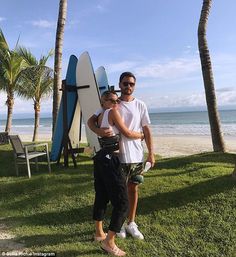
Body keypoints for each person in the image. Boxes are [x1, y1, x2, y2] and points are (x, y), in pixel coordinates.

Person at [88, 72, 155, 240]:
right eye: (125, 83)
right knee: (119, 193)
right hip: (118, 157)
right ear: (120, 84)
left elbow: (147, 129)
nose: (128, 86)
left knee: (133, 188)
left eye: (131, 84)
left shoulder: (141, 105)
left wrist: (151, 153)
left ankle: (131, 223)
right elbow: (91, 121)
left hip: (137, 155)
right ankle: (118, 226)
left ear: (135, 85)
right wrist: (99, 131)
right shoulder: (111, 103)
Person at [91, 91, 144, 256]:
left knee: (101, 196)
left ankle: (99, 233)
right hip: (111, 160)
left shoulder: (100, 114)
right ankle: (109, 242)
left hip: (100, 157)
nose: (115, 103)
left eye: (116, 100)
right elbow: (127, 133)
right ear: (103, 101)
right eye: (111, 100)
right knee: (122, 203)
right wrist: (143, 134)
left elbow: (90, 121)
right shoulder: (112, 112)